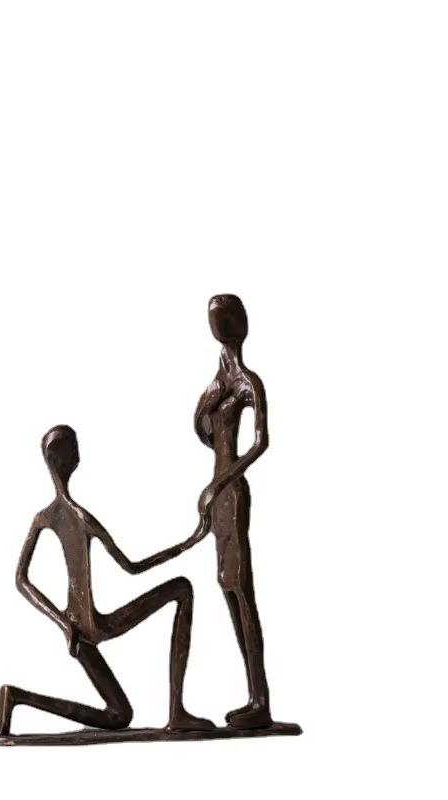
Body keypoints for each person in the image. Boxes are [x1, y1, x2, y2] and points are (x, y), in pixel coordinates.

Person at [0, 425, 214, 739]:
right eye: (74, 450)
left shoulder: (44, 517)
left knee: (119, 716)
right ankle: (177, 711)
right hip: (94, 625)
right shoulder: (82, 518)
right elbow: (132, 567)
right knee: (182, 588)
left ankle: (16, 698)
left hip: (76, 630)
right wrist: (189, 541)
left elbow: (20, 579)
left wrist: (64, 624)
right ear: (69, 460)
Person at [181, 294, 273, 729]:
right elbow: (202, 431)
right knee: (225, 585)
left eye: (223, 321)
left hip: (230, 492)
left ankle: (260, 699)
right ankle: (253, 695)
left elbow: (260, 442)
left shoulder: (248, 383)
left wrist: (219, 482)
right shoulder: (219, 383)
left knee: (241, 589)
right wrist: (206, 402)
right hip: (216, 494)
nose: (217, 327)